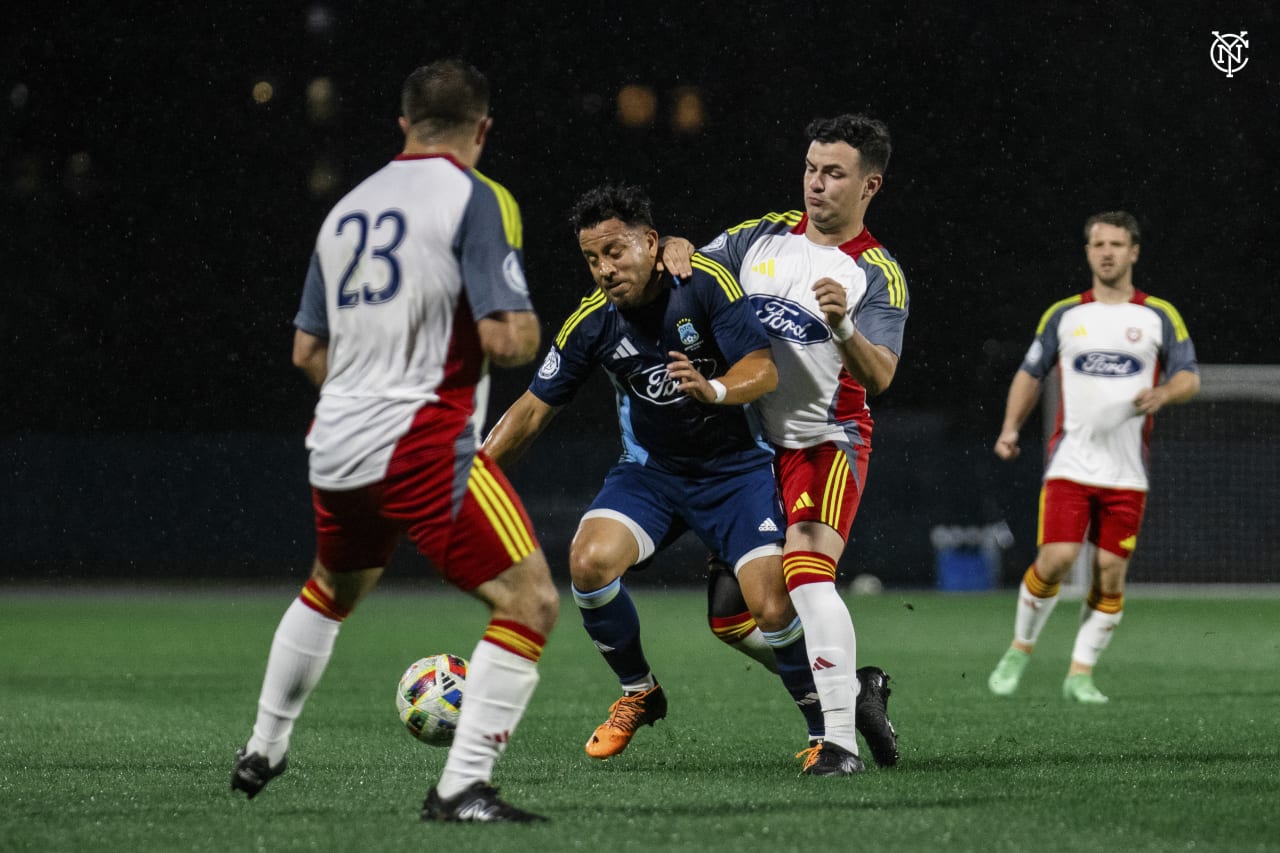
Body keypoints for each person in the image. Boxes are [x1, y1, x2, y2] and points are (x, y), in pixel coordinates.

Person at [230, 60, 559, 823]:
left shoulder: (346, 209)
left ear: (403, 125)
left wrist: (363, 398)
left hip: (337, 441)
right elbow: (505, 337)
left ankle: (263, 746)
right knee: (531, 600)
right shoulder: (474, 198)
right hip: (422, 438)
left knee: (331, 586)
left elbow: (307, 353)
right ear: (481, 130)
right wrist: (529, 326)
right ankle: (462, 785)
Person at [484, 184, 864, 775]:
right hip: (652, 476)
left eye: (615, 251)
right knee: (587, 561)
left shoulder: (705, 284)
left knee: (768, 607)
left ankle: (828, 728)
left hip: (738, 472)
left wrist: (713, 389)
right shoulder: (592, 322)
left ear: (651, 243)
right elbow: (532, 409)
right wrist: (470, 479)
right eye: (591, 259)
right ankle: (640, 691)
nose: (605, 270)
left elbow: (761, 368)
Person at [661, 114, 907, 769]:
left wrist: (844, 325)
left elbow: (879, 375)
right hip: (746, 452)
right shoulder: (760, 237)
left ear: (869, 185)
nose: (816, 184)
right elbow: (691, 275)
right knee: (731, 619)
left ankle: (838, 743)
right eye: (810, 168)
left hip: (823, 443)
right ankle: (852, 686)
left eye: (834, 173)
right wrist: (677, 249)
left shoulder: (876, 271)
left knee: (805, 577)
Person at [987, 211, 1199, 703]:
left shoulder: (1158, 315)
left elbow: (1190, 375)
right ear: (1087, 252)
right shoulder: (1065, 315)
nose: (1107, 252)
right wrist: (1010, 427)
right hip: (1071, 465)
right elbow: (1029, 372)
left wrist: (1165, 394)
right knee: (1057, 557)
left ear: (1134, 252)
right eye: (1098, 243)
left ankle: (1080, 673)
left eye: (1117, 243)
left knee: (1110, 574)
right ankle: (1021, 647)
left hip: (1127, 472)